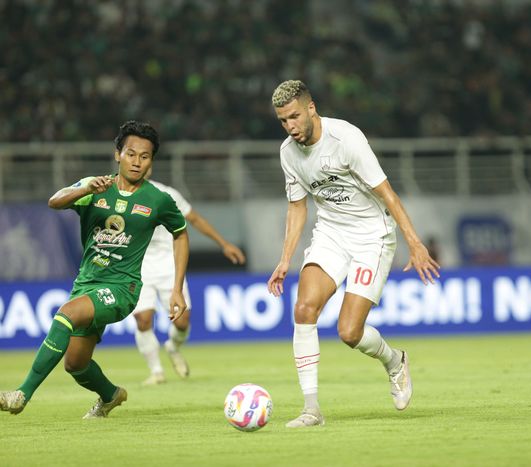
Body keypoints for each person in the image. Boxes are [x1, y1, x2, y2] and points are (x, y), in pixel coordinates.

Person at [266, 80, 440, 428]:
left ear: (311, 107)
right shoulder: (288, 152)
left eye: (295, 117)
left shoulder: (346, 139)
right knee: (303, 308)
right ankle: (311, 409)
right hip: (331, 234)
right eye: (283, 121)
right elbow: (297, 208)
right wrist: (285, 259)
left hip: (372, 236)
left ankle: (394, 360)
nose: (291, 127)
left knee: (348, 331)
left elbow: (388, 194)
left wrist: (415, 242)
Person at [0, 120, 189, 418]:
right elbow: (54, 202)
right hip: (87, 284)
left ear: (151, 161)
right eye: (130, 154)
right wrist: (85, 188)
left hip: (122, 288)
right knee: (76, 364)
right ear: (118, 154)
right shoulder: (95, 186)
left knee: (66, 313)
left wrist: (177, 287)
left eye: (144, 156)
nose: (137, 161)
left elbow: (180, 233)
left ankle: (21, 393)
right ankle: (111, 395)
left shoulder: (158, 200)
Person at [134, 171, 246, 385]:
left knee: (182, 321)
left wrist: (224, 244)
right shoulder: (118, 195)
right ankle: (156, 371)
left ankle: (173, 347)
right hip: (137, 264)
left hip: (169, 262)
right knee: (143, 319)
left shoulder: (166, 194)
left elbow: (194, 218)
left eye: (145, 158)